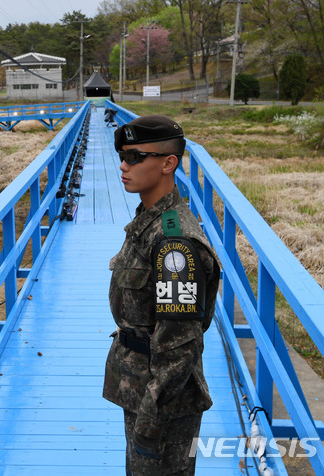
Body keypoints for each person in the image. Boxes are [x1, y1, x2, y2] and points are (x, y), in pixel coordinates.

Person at [103, 115, 221, 475]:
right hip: (141, 386)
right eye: (122, 156)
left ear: (168, 163)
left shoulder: (174, 243)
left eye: (136, 157)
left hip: (161, 402)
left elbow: (179, 347)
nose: (124, 166)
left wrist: (151, 422)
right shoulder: (150, 221)